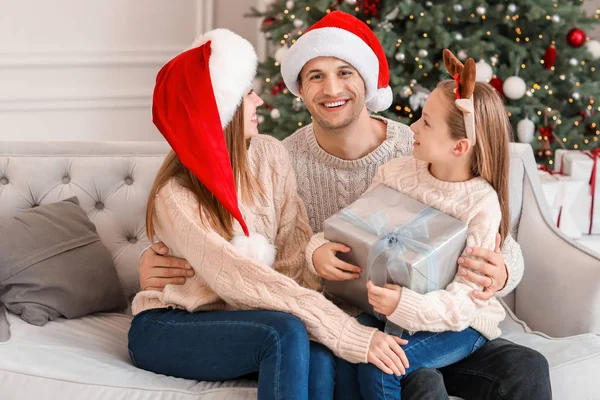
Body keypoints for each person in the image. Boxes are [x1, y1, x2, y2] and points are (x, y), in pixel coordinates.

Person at [138, 12, 552, 400]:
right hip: (353, 321)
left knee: (526, 367)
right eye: (316, 76)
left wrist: (501, 271)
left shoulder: (419, 147)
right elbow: (256, 251)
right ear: (300, 89)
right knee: (410, 375)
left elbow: (490, 229)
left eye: (345, 73)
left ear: (367, 82)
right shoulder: (282, 157)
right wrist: (154, 258)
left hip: (439, 316)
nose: (332, 89)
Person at [128, 28, 408, 400]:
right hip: (172, 325)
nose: (259, 100)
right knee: (287, 331)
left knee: (319, 349)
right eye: (247, 94)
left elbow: (294, 259)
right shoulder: (175, 194)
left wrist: (329, 328)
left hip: (254, 318)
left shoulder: (270, 155)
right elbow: (235, 276)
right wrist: (344, 329)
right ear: (219, 110)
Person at [309, 48, 513, 400]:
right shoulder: (398, 172)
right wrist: (318, 250)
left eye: (426, 122)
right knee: (355, 353)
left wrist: (406, 307)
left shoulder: (480, 204)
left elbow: (465, 301)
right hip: (386, 311)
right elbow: (351, 226)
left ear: (459, 146)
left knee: (382, 364)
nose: (413, 126)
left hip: (458, 324)